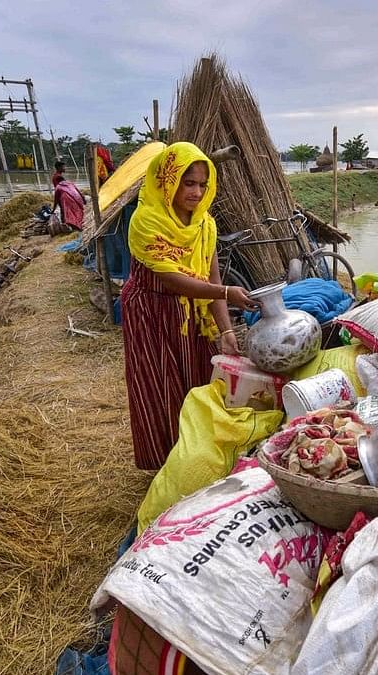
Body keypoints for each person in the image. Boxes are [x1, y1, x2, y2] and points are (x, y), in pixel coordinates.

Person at [119, 142, 257, 470]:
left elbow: (210, 275)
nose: (196, 192)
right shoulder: (147, 221)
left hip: (191, 317)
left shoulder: (204, 224)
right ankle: (165, 465)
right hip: (151, 314)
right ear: (169, 180)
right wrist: (225, 293)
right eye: (188, 183)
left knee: (196, 385)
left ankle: (193, 461)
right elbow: (173, 280)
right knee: (158, 386)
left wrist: (225, 329)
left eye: (202, 185)